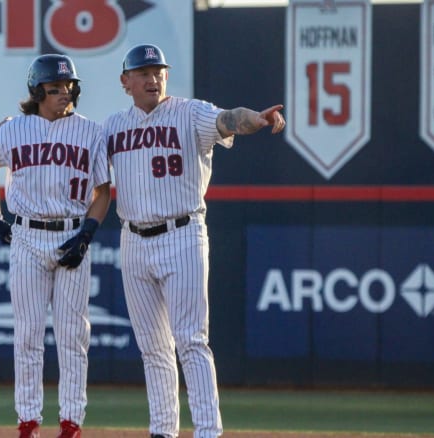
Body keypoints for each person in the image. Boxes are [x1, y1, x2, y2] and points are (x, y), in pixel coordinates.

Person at [102, 43, 286, 438]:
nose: (153, 79)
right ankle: (163, 430)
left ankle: (207, 431)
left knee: (191, 339)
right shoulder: (113, 126)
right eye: (144, 73)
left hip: (182, 233)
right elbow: (75, 152)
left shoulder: (190, 112)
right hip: (133, 238)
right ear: (126, 82)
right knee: (153, 348)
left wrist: (255, 118)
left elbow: (229, 120)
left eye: (159, 72)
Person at [0, 54, 111, 438]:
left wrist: (86, 234)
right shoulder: (14, 129)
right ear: (36, 92)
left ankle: (71, 422)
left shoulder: (91, 131)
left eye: (69, 87)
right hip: (28, 236)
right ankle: (28, 421)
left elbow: (103, 191)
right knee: (29, 334)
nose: (64, 92)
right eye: (55, 88)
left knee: (72, 336)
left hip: (71, 232)